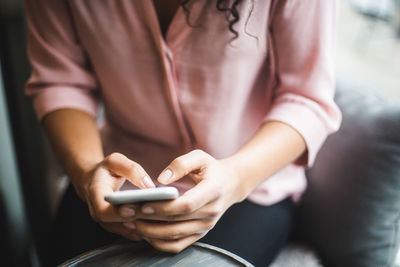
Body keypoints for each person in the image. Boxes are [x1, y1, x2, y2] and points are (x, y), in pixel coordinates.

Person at [24, 0, 341, 266]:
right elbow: (61, 82)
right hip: (114, 183)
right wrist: (86, 171)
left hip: (249, 186)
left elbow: (306, 99)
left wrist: (235, 179)